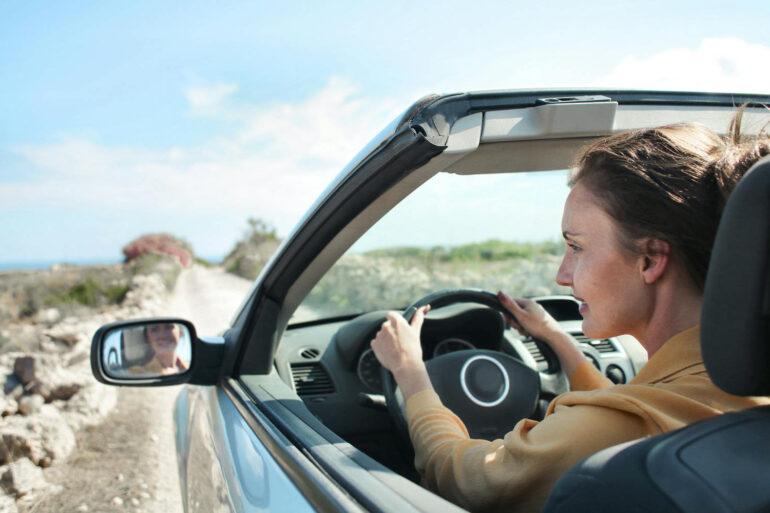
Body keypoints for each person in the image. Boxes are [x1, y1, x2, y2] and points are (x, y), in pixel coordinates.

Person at [371, 112, 770, 512]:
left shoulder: (603, 430)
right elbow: (631, 407)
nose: (562, 276)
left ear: (649, 259)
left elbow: (467, 482)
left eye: (576, 247)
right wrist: (557, 338)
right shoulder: (731, 390)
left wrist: (411, 374)